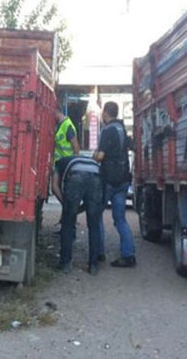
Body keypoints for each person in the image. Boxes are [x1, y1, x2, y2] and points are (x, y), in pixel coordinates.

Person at [94, 101, 136, 268]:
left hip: (108, 181)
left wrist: (94, 156)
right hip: (123, 180)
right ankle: (128, 255)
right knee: (120, 219)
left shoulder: (107, 130)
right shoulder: (122, 129)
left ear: (105, 113)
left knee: (97, 214)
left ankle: (98, 252)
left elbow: (100, 157)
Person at [52, 155, 103, 276]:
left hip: (76, 177)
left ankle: (65, 263)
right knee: (94, 225)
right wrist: (81, 208)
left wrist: (67, 206)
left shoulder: (58, 164)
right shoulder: (88, 161)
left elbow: (54, 187)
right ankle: (93, 265)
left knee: (68, 223)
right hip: (96, 176)